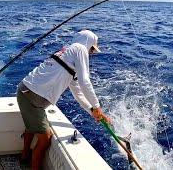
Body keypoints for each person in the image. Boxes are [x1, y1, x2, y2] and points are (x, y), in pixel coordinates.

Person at [17, 29, 111, 170]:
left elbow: (78, 92)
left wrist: (91, 110)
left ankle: (24, 157)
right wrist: (97, 107)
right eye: (92, 49)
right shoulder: (80, 49)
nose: (91, 53)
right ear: (88, 43)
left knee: (32, 126)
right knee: (45, 140)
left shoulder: (68, 55)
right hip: (32, 98)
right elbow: (85, 81)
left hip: (26, 93)